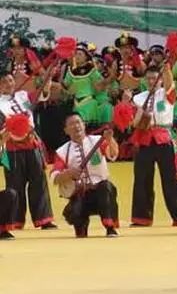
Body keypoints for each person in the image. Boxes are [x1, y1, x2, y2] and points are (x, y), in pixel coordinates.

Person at [130, 65, 177, 227]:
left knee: (171, 178)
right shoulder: (138, 98)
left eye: (154, 78)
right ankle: (141, 218)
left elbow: (170, 84)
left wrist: (167, 69)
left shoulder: (166, 94)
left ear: (160, 80)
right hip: (144, 137)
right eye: (148, 78)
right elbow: (134, 119)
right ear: (144, 80)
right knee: (142, 178)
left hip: (164, 137)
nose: (151, 81)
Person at [0, 70, 56, 230]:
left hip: (32, 143)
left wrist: (48, 78)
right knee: (15, 184)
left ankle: (44, 219)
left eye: (10, 80)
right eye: (4, 81)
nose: (8, 84)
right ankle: (15, 221)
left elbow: (43, 93)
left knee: (39, 181)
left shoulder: (23, 95)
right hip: (11, 147)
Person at [50, 113, 120, 238]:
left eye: (78, 122)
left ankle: (110, 227)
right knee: (79, 228)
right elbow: (54, 178)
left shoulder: (97, 141)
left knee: (106, 187)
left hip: (101, 192)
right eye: (71, 124)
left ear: (84, 125)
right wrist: (68, 174)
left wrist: (110, 139)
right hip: (80, 194)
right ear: (66, 130)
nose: (76, 126)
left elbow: (113, 154)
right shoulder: (62, 151)